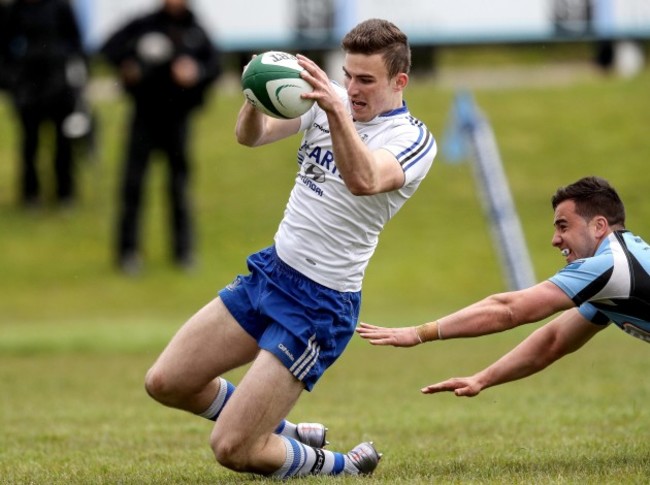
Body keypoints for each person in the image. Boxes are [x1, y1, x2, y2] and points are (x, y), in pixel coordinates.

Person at [144, 18, 436, 478]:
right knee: (165, 382)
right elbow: (252, 135)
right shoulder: (329, 102)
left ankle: (346, 467)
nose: (352, 89)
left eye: (366, 80)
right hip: (271, 272)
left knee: (232, 448)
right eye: (347, 75)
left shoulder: (412, 139)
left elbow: (365, 180)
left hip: (319, 304)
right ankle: (288, 432)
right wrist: (256, 94)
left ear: (399, 81)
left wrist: (338, 112)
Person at [358, 176, 650, 399]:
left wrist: (419, 332)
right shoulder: (612, 275)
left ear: (599, 226)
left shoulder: (609, 265)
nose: (555, 240)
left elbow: (509, 310)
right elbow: (555, 340)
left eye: (563, 226)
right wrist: (483, 378)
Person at [100, 0, 221, 274]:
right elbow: (108, 49)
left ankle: (183, 252)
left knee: (178, 186)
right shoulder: (144, 24)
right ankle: (127, 252)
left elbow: (213, 65)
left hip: (177, 120)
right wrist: (127, 66)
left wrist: (195, 72)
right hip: (144, 116)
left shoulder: (195, 29)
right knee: (132, 185)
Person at [0, 0, 86, 209]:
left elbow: (76, 44)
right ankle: (30, 194)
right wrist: (11, 81)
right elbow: (3, 48)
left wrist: (75, 80)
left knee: (63, 143)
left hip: (59, 85)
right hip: (28, 87)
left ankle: (65, 193)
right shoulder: (15, 10)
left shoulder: (60, 7)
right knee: (30, 142)